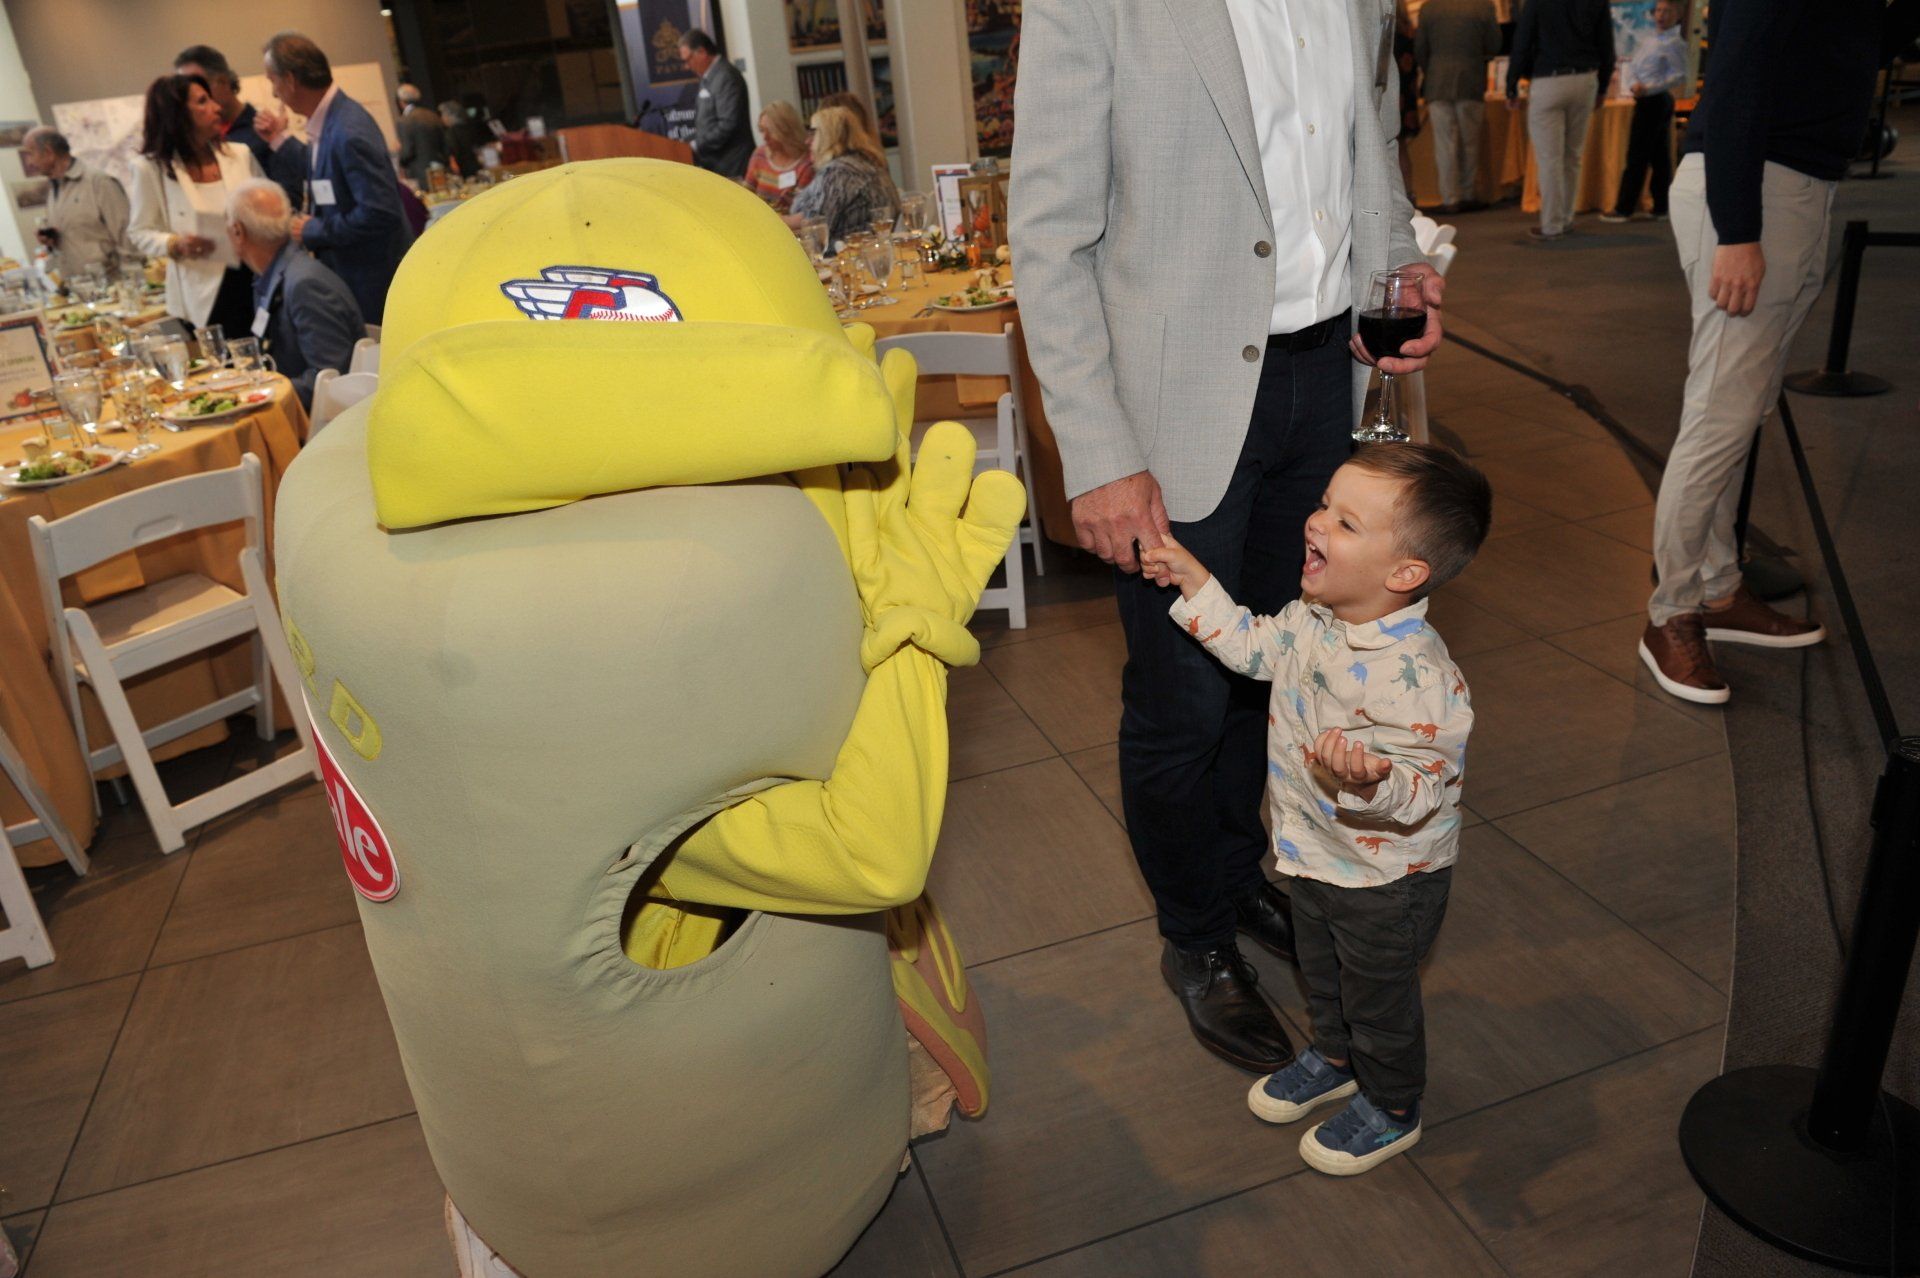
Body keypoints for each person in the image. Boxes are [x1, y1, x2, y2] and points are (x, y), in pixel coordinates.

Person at [1012, 0, 1444, 1075]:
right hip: (1176, 412)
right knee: (1183, 706)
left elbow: (1370, 141)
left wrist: (1398, 264)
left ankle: (1241, 873)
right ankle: (1196, 938)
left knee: (1276, 675)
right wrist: (1097, 451)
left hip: (1325, 381)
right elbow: (1050, 239)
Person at [1141, 444, 1487, 1174]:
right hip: (1314, 852)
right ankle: (1335, 1056)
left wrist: (1371, 783)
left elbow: (1425, 786)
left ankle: (1393, 1105)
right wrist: (1197, 582)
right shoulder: (1312, 617)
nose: (1316, 522)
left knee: (1378, 1000)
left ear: (1404, 574)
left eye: (1346, 522)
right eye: (1325, 504)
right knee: (1322, 973)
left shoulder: (1420, 676)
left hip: (1388, 880)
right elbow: (1254, 649)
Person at [1639, 0, 1920, 704]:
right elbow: (1738, 78)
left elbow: (1859, 40)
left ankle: (1717, 589)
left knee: (1741, 411)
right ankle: (1671, 612)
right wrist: (1739, 229)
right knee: (1720, 416)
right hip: (1753, 186)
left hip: (1795, 184)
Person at [257, 31, 413, 325]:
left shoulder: (348, 130)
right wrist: (278, 138)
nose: (275, 93)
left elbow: (380, 212)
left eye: (273, 81)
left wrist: (315, 230)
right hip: (362, 276)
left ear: (290, 80)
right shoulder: (332, 121)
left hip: (375, 283)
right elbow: (323, 169)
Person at [126, 73, 264, 334]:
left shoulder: (240, 154)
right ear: (176, 114)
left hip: (256, 277)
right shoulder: (150, 168)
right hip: (204, 291)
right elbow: (139, 231)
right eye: (202, 101)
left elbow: (266, 207)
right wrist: (175, 244)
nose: (216, 107)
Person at [225, 178, 363, 410]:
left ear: (238, 231)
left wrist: (257, 394)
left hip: (320, 422)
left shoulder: (305, 284)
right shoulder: (278, 274)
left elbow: (330, 378)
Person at [1506, 0, 1614, 240]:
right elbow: (1607, 45)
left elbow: (1522, 41)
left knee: (1549, 159)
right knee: (1573, 156)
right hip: (1585, 79)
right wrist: (1603, 86)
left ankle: (1552, 224)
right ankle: (1565, 218)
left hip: (1548, 80)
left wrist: (1511, 84)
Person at [173, 44, 306, 205]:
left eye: (199, 84)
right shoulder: (192, 141)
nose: (191, 93)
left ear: (223, 82)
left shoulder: (265, 132)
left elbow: (289, 199)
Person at [1599, 0, 1685, 223]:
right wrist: (1634, 83)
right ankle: (1661, 206)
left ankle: (1624, 208)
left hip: (1655, 100)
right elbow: (1634, 68)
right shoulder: (1650, 39)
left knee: (1638, 156)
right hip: (1645, 100)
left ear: (1677, 15)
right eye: (1659, 10)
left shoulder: (1674, 42)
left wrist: (1649, 87)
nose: (1661, 15)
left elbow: (1679, 75)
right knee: (1658, 156)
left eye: (1667, 11)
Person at [1416, 0, 1502, 213]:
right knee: (1470, 142)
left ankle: (1450, 197)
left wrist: (1431, 69)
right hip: (1470, 79)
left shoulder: (1429, 8)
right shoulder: (1483, 6)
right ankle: (1467, 193)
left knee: (1444, 144)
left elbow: (1420, 49)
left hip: (1437, 81)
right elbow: (1494, 45)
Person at [19, 127, 133, 281]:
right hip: (78, 287)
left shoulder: (99, 183)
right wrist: (52, 242)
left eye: (30, 154)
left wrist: (133, 283)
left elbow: (127, 237)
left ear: (48, 152)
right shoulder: (54, 190)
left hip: (113, 285)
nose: (29, 162)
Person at [784, 106, 897, 245]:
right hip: (876, 248)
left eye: (813, 133)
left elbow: (815, 225)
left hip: (848, 252)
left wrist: (775, 220)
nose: (807, 141)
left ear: (829, 136)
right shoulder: (867, 162)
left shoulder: (838, 172)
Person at [678, 29, 753, 179]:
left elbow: (728, 124)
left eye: (688, 59)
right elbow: (707, 123)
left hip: (732, 164)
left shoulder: (726, 76)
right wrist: (685, 142)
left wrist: (696, 145)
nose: (687, 66)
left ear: (702, 52)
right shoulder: (709, 76)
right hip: (716, 163)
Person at [743, 101, 815, 213]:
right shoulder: (759, 155)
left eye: (771, 131)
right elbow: (746, 194)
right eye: (762, 130)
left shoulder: (807, 164)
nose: (764, 137)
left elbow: (801, 210)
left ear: (787, 131)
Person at [397, 83, 452, 188]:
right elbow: (445, 146)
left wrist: (401, 160)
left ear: (401, 101)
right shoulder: (433, 116)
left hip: (419, 175)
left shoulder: (404, 120)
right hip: (440, 170)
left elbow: (407, 152)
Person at [440, 99, 482, 176]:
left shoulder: (452, 132)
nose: (442, 118)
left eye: (443, 114)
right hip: (476, 165)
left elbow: (452, 152)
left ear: (450, 116)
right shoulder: (470, 128)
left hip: (462, 169)